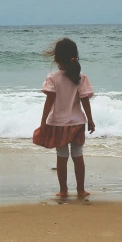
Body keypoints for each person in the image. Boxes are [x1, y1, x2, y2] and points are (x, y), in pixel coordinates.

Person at [36, 38, 95, 198]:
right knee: (78, 155)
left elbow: (49, 101)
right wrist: (90, 119)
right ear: (75, 56)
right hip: (78, 123)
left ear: (56, 58)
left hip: (58, 124)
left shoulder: (53, 78)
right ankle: (81, 191)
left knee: (62, 157)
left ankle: (63, 191)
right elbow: (85, 100)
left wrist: (43, 123)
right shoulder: (81, 77)